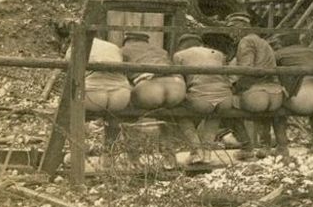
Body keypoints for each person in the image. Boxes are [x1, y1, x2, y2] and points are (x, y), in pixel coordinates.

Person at [269, 33, 313, 153]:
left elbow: (269, 71)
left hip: (302, 98)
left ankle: (282, 147)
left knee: (276, 104)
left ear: (282, 43)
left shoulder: (279, 54)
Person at [225, 12, 283, 151]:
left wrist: (232, 85)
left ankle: (246, 147)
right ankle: (265, 146)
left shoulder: (246, 41)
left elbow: (246, 69)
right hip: (275, 94)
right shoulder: (263, 42)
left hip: (257, 93)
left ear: (240, 27)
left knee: (224, 106)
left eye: (231, 29)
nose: (230, 34)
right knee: (264, 112)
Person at [173, 32, 234, 162]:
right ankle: (207, 153)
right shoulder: (218, 54)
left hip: (201, 100)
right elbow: (226, 77)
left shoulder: (179, 55)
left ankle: (196, 150)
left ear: (181, 46)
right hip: (225, 99)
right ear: (201, 44)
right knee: (215, 116)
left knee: (178, 113)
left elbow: (180, 83)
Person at [120, 32, 186, 109]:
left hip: (149, 88)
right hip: (176, 87)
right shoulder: (161, 51)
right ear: (146, 41)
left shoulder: (123, 50)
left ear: (127, 41)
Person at [67, 37, 131, 113]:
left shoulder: (76, 45)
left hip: (93, 95)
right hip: (120, 96)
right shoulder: (114, 47)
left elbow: (69, 68)